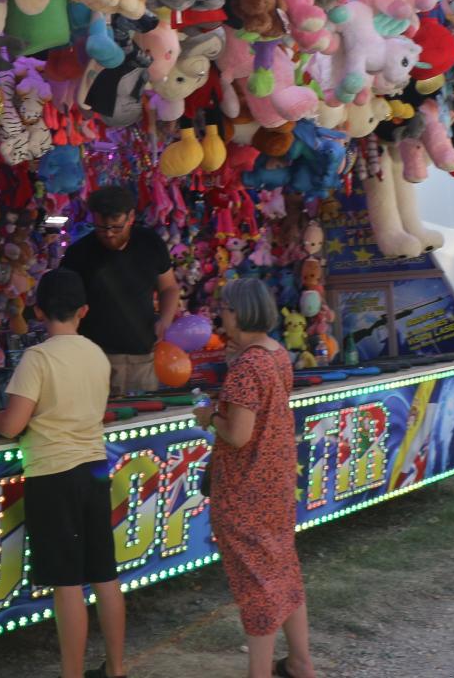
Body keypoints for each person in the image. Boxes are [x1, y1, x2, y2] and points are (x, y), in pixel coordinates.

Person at [0, 268, 126, 678]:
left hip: (54, 475)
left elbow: (12, 425)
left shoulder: (37, 358)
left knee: (68, 583)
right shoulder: (96, 354)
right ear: (84, 310)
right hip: (94, 470)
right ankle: (116, 668)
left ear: (38, 311)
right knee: (105, 574)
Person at [193, 278, 316, 678]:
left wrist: (209, 416)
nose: (221, 315)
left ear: (241, 312)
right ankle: (299, 662)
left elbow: (238, 434)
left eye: (225, 308)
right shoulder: (275, 353)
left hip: (246, 488)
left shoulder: (248, 367)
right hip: (275, 481)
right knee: (283, 570)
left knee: (256, 586)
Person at [59, 185, 181, 394]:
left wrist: (165, 321)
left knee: (142, 410)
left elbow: (169, 287)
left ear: (130, 217)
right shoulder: (78, 254)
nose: (108, 234)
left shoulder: (150, 243)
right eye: (101, 228)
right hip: (95, 357)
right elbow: (65, 306)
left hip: (142, 355)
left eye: (116, 228)